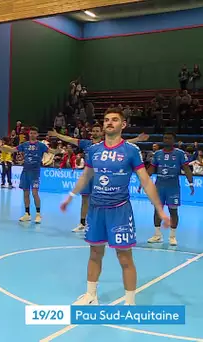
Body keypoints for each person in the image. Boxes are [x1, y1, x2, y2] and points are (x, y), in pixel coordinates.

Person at [60, 108, 170, 305]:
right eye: (106, 120)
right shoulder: (93, 150)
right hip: (96, 209)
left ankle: (130, 302)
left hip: (119, 210)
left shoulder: (131, 150)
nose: (109, 123)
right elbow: (86, 176)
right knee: (94, 253)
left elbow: (145, 181)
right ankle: (91, 295)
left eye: (114, 120)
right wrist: (71, 195)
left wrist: (160, 209)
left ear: (123, 125)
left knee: (125, 257)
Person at [49, 126, 148, 232]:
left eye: (97, 131)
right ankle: (83, 223)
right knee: (85, 200)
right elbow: (70, 139)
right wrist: (57, 135)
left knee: (100, 201)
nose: (95, 132)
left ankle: (100, 224)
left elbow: (125, 143)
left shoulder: (107, 144)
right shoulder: (86, 144)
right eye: (94, 130)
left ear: (102, 133)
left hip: (101, 176)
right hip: (88, 176)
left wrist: (137, 139)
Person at [144, 132, 194, 246]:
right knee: (157, 211)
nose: (166, 140)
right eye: (165, 138)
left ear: (174, 140)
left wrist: (191, 183)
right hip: (159, 187)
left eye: (169, 138)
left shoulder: (180, 154)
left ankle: (172, 237)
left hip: (173, 188)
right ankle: (157, 235)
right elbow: (151, 169)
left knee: (173, 211)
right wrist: (143, 182)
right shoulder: (157, 154)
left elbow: (186, 169)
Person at [0, 127, 52, 223]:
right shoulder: (24, 145)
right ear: (29, 134)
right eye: (31, 133)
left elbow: (51, 151)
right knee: (25, 193)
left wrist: (59, 151)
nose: (32, 135)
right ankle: (27, 214)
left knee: (35, 193)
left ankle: (38, 214)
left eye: (34, 133)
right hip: (25, 172)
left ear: (37, 135)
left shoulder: (41, 146)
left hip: (35, 173)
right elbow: (12, 150)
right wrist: (0, 147)